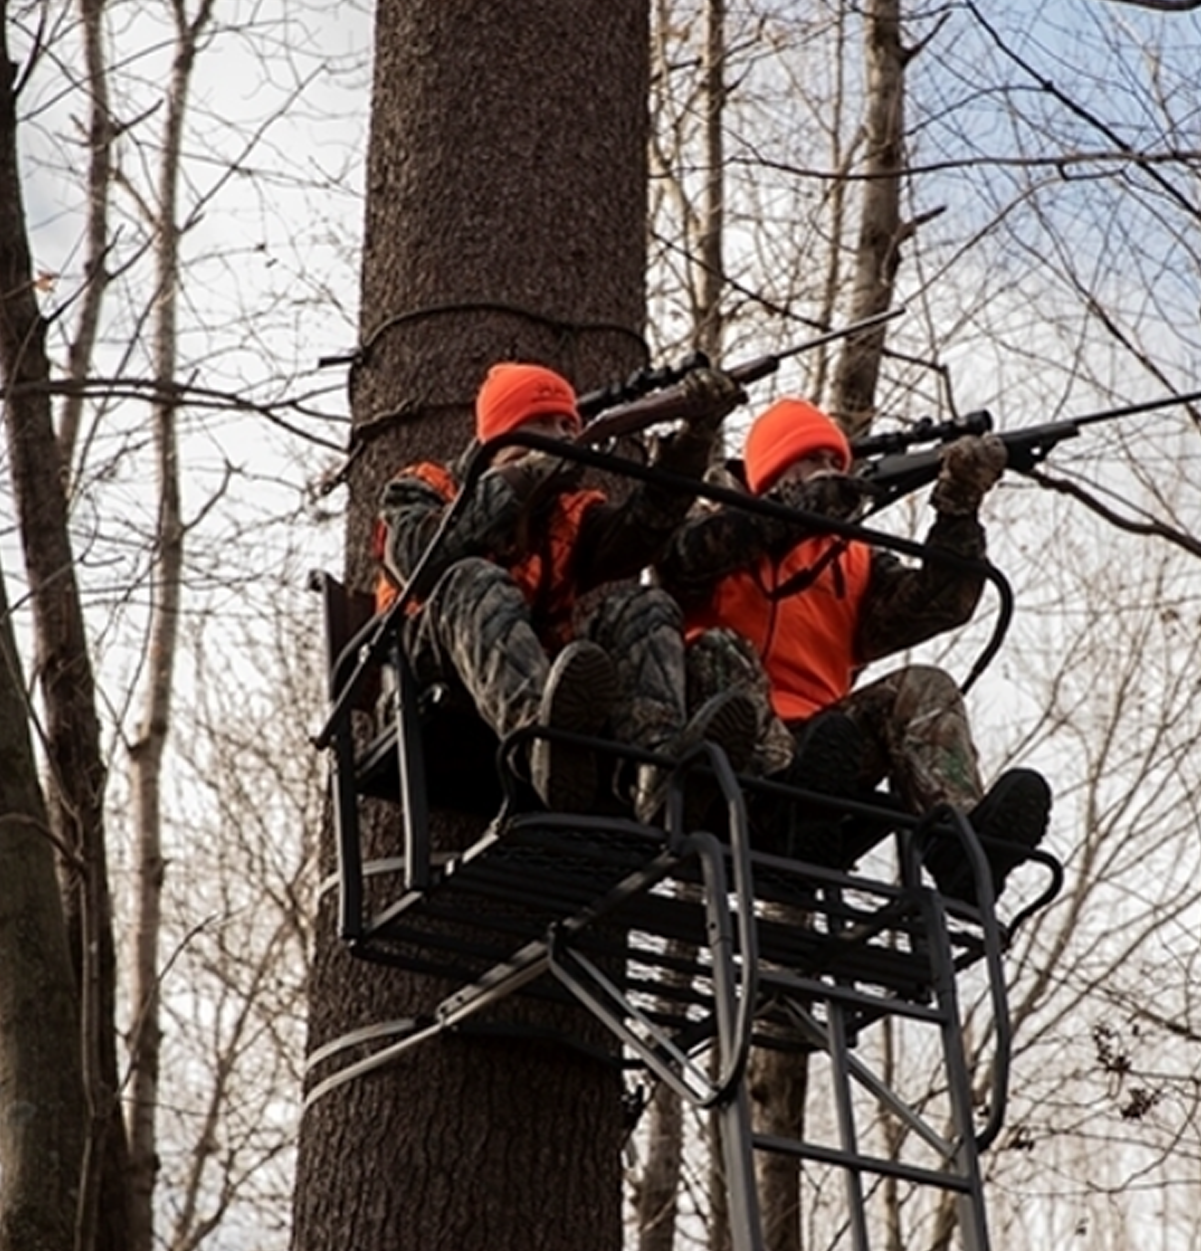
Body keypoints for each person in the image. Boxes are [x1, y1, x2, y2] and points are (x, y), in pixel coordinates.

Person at [660, 395, 1051, 900]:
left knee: (923, 686)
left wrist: (958, 509)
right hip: (723, 761)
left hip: (826, 759)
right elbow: (680, 564)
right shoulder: (716, 521)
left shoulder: (853, 559)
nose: (828, 471)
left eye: (835, 463)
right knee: (719, 646)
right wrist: (809, 507)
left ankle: (961, 851)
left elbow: (940, 603)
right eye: (812, 460)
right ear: (774, 469)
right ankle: (788, 809)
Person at [375, 360, 757, 817]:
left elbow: (640, 538)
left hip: (543, 673)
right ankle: (541, 747)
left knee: (645, 604)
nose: (560, 436)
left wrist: (694, 439)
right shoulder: (426, 486)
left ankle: (655, 773)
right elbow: (419, 560)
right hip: (427, 667)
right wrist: (528, 475)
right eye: (543, 424)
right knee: (474, 580)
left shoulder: (570, 513)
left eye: (567, 426)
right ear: (501, 436)